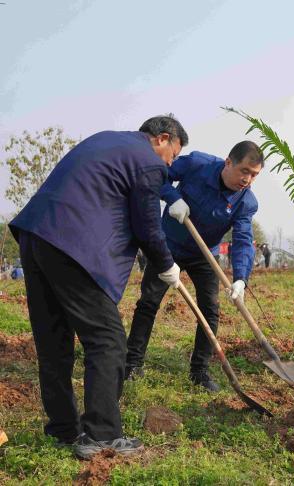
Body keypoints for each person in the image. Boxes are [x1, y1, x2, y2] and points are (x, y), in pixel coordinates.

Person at [9, 116, 187, 459]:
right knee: (107, 340)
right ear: (162, 139)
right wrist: (166, 265)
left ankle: (62, 429)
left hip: (35, 236)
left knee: (53, 341)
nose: (170, 164)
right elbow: (148, 225)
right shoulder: (148, 161)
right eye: (173, 155)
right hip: (71, 244)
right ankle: (102, 435)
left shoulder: (108, 140)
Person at [125, 142, 263, 391]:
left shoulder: (246, 202)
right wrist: (173, 197)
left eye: (254, 175)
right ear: (228, 162)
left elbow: (243, 239)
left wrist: (241, 278)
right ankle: (132, 364)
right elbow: (159, 176)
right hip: (168, 246)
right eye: (244, 171)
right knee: (148, 302)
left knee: (210, 310)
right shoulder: (198, 164)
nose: (248, 179)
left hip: (203, 254)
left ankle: (199, 371)